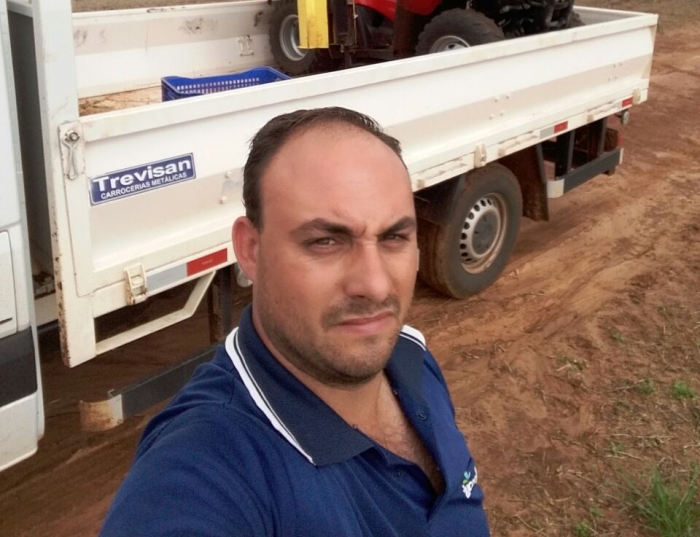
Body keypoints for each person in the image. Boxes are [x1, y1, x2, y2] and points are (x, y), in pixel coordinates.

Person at [100, 107, 490, 536]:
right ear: (250, 251)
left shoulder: (411, 355)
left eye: (394, 237)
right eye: (325, 241)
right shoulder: (206, 463)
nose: (375, 286)